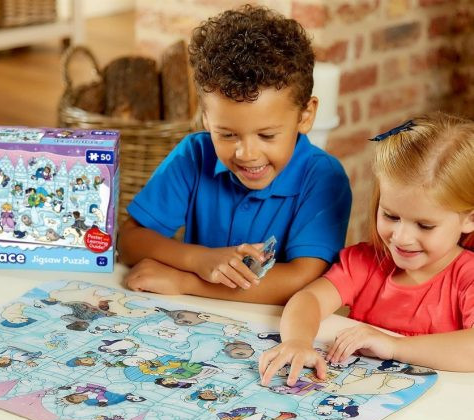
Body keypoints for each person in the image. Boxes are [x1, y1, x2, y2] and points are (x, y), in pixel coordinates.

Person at [118, 4, 351, 305]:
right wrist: (199, 259)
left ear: (305, 116)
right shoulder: (194, 155)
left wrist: (186, 282)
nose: (247, 154)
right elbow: (129, 241)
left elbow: (304, 280)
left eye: (267, 135)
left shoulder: (323, 178)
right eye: (227, 135)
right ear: (206, 119)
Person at [259, 112, 474, 386]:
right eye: (391, 216)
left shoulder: (467, 277)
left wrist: (393, 346)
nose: (402, 237)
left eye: (424, 225)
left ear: (469, 219)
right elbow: (308, 299)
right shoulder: (365, 262)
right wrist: (297, 341)